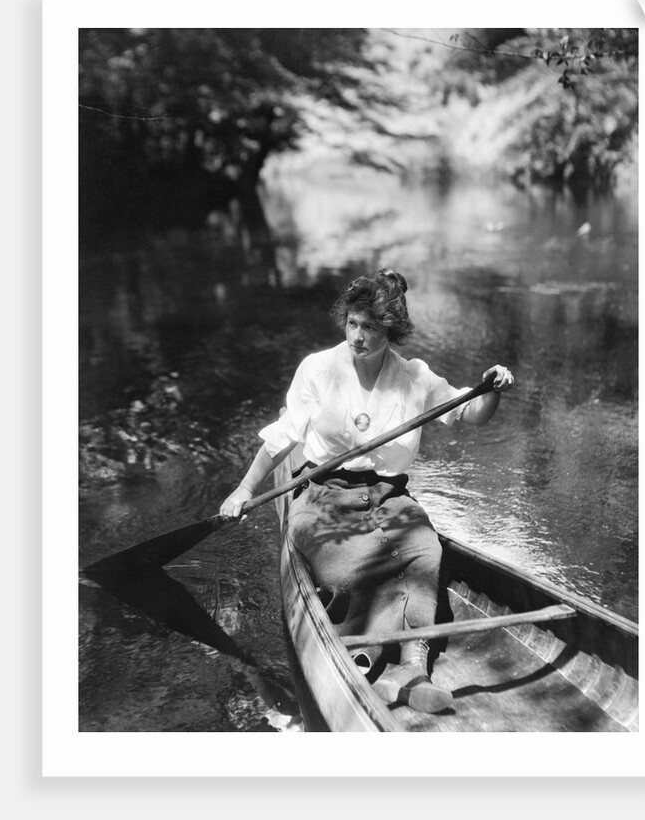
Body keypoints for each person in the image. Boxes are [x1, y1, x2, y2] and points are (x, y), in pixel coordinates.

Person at [220, 269, 514, 713]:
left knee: (424, 551)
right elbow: (283, 438)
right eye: (353, 323)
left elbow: (471, 412)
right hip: (322, 494)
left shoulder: (414, 377)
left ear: (390, 330)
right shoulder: (318, 369)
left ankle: (411, 667)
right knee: (345, 567)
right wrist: (243, 488)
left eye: (371, 327)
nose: (358, 336)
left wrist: (492, 388)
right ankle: (367, 654)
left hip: (389, 498)